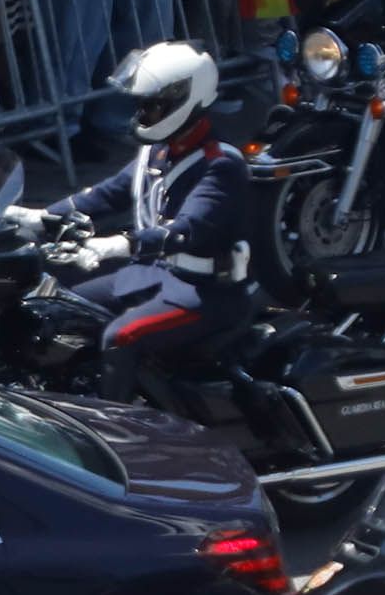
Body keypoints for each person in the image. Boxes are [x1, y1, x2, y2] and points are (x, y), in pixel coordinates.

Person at [21, 39, 265, 402]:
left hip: (205, 291)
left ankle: (117, 429)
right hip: (154, 274)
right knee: (56, 310)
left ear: (186, 101)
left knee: (122, 336)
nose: (142, 115)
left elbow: (187, 231)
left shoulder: (219, 163)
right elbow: (105, 196)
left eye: (153, 106)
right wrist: (38, 218)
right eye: (142, 106)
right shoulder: (157, 150)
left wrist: (120, 244)